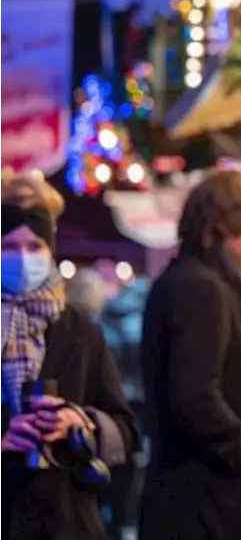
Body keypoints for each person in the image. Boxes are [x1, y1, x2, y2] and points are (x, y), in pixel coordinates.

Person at [0, 168, 138, 539]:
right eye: (9, 247)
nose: (24, 259)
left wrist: (83, 424)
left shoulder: (78, 328)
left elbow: (125, 429)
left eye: (34, 247)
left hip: (64, 521)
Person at [139, 170, 241, 540]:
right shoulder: (202, 287)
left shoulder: (184, 278)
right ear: (227, 226)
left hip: (186, 488)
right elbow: (195, 394)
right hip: (203, 493)